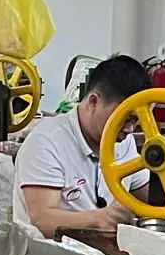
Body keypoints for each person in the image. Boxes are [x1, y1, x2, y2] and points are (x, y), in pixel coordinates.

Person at [15, 53, 153, 241]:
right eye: (124, 118)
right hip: (49, 254)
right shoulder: (46, 141)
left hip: (103, 252)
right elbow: (42, 221)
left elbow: (150, 201)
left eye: (135, 121)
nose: (129, 129)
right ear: (93, 101)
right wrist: (100, 219)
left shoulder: (123, 142)